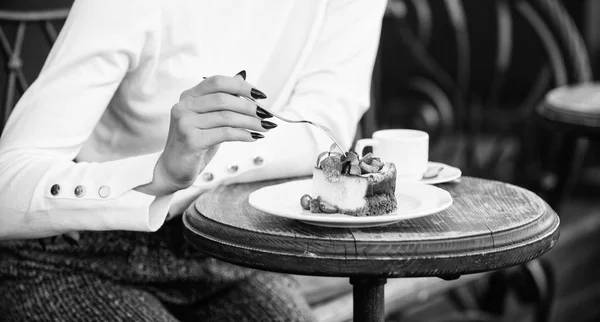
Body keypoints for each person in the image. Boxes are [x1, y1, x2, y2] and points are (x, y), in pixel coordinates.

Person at [0, 0, 387, 321]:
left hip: (227, 248)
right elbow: (7, 188)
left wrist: (198, 173)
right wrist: (159, 175)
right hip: (72, 257)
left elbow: (322, 128)